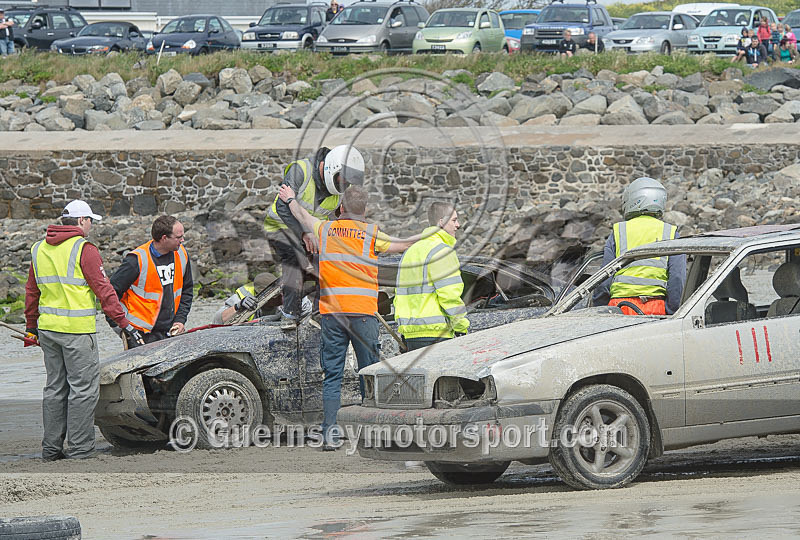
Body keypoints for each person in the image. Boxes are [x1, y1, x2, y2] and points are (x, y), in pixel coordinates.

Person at [277, 182, 414, 449]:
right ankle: (371, 435)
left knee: (333, 376)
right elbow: (401, 245)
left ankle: (330, 435)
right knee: (369, 374)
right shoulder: (372, 234)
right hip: (363, 315)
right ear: (366, 210)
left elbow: (302, 216)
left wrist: (291, 198)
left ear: (340, 207)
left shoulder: (326, 229)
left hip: (332, 315)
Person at [25, 200, 144, 461]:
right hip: (77, 332)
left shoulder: (39, 249)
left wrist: (31, 327)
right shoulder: (84, 249)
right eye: (90, 220)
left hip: (48, 331)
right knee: (83, 390)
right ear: (81, 221)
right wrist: (124, 324)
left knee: (54, 388)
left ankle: (51, 449)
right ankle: (81, 450)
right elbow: (105, 292)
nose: (91, 225)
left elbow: (32, 291)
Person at [263, 145, 365, 331]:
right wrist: (303, 233)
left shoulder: (337, 191)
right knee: (295, 257)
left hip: (310, 233)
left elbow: (339, 218)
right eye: (343, 179)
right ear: (331, 168)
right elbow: (283, 207)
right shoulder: (300, 170)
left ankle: (319, 313)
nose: (345, 185)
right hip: (280, 227)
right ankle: (290, 314)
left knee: (328, 260)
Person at [592, 177, 686, 316]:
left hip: (619, 308)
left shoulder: (619, 231)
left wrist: (599, 308)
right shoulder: (670, 232)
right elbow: (677, 278)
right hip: (656, 308)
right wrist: (672, 311)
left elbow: (604, 278)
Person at [394, 202, 469, 351]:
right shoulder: (442, 251)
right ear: (441, 222)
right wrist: (461, 327)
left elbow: (400, 296)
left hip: (411, 335)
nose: (458, 225)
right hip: (437, 334)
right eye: (454, 220)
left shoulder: (410, 252)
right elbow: (449, 295)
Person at [109, 215, 193, 347]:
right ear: (164, 238)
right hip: (139, 333)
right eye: (178, 237)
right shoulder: (136, 260)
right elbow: (110, 294)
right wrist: (123, 327)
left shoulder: (181, 254)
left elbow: (187, 290)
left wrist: (180, 320)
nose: (182, 240)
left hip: (169, 331)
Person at [212, 272, 277, 325]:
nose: (281, 297)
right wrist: (238, 306)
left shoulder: (283, 297)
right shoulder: (241, 298)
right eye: (276, 295)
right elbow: (218, 319)